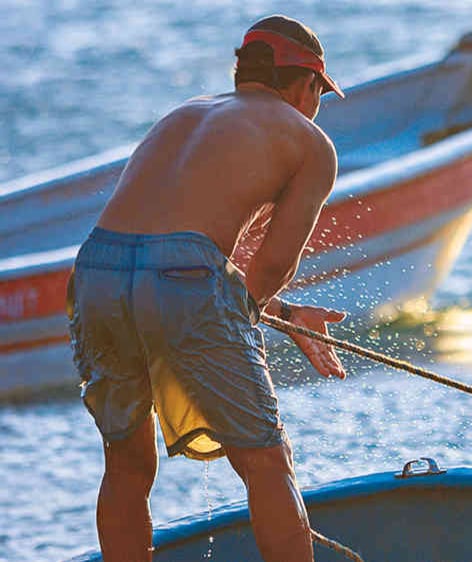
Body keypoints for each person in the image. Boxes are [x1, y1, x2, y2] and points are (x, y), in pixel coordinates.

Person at [68, 14, 348, 562]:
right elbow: (265, 272)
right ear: (307, 83)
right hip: (181, 278)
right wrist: (263, 309)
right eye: (321, 92)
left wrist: (285, 313)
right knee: (267, 461)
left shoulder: (183, 114)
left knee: (125, 463)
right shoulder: (310, 142)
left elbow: (154, 253)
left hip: (95, 270)